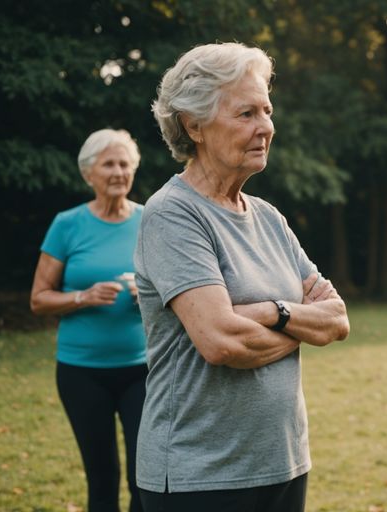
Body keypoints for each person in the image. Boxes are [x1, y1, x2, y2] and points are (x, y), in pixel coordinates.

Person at [135, 42, 350, 511]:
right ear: (194, 125)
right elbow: (222, 343)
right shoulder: (172, 214)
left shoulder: (269, 217)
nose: (266, 128)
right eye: (246, 113)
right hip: (200, 476)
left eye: (267, 111)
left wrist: (271, 312)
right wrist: (298, 324)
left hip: (284, 461)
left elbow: (336, 321)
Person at [29, 128, 146, 512]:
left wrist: (147, 295)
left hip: (143, 369)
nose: (118, 171)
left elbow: (178, 291)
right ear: (88, 173)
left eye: (125, 163)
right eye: (108, 163)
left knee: (144, 478)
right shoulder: (68, 224)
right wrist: (83, 296)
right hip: (82, 373)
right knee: (102, 479)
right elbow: (39, 298)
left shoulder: (151, 221)